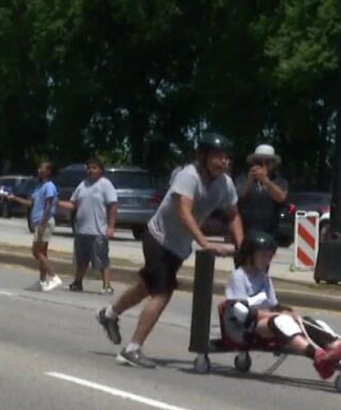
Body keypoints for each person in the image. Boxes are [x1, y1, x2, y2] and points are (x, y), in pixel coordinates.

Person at [95, 132, 244, 368]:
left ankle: (110, 314)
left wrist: (241, 244)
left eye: (225, 157)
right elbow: (183, 212)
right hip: (158, 238)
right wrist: (204, 242)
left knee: (146, 287)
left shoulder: (224, 184)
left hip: (178, 246)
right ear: (203, 156)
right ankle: (132, 349)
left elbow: (233, 214)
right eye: (217, 156)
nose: (222, 161)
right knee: (163, 292)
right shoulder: (189, 176)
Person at [224, 230, 341, 379]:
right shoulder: (239, 276)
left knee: (311, 323)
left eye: (269, 255)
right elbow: (243, 313)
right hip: (248, 328)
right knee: (282, 321)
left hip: (267, 320)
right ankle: (318, 358)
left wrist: (291, 312)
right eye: (262, 254)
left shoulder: (263, 277)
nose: (267, 258)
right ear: (250, 254)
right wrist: (279, 315)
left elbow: (274, 305)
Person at [59, 157, 118, 294]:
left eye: (94, 168)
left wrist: (111, 227)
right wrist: (57, 203)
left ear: (101, 170)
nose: (91, 170)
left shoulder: (105, 184)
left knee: (102, 259)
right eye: (89, 168)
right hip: (82, 230)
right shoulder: (83, 184)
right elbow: (73, 204)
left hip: (98, 230)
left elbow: (113, 206)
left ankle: (107, 286)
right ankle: (77, 283)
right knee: (81, 260)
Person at [4, 162, 61, 291]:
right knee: (42, 253)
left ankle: (53, 277)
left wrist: (42, 223)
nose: (39, 170)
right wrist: (14, 198)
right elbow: (30, 203)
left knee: (36, 251)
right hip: (39, 222)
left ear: (49, 171)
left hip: (44, 222)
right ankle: (42, 282)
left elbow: (49, 205)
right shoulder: (39, 186)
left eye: (42, 168)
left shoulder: (49, 186)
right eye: (39, 167)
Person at [235, 144, 288, 241]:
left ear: (273, 164)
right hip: (245, 233)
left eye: (267, 162)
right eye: (259, 162)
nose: (263, 166)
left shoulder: (279, 181)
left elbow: (281, 197)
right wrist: (249, 181)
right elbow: (238, 197)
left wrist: (266, 181)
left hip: (270, 233)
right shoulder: (243, 179)